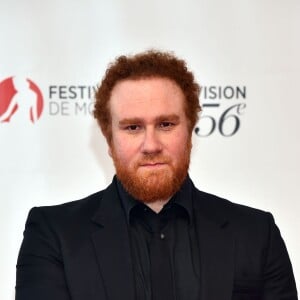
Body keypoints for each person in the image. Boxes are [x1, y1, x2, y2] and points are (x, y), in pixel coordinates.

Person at [16, 50, 298, 300]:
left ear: (190, 131)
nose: (151, 145)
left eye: (165, 124)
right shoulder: (54, 234)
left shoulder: (256, 234)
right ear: (108, 138)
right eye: (132, 127)